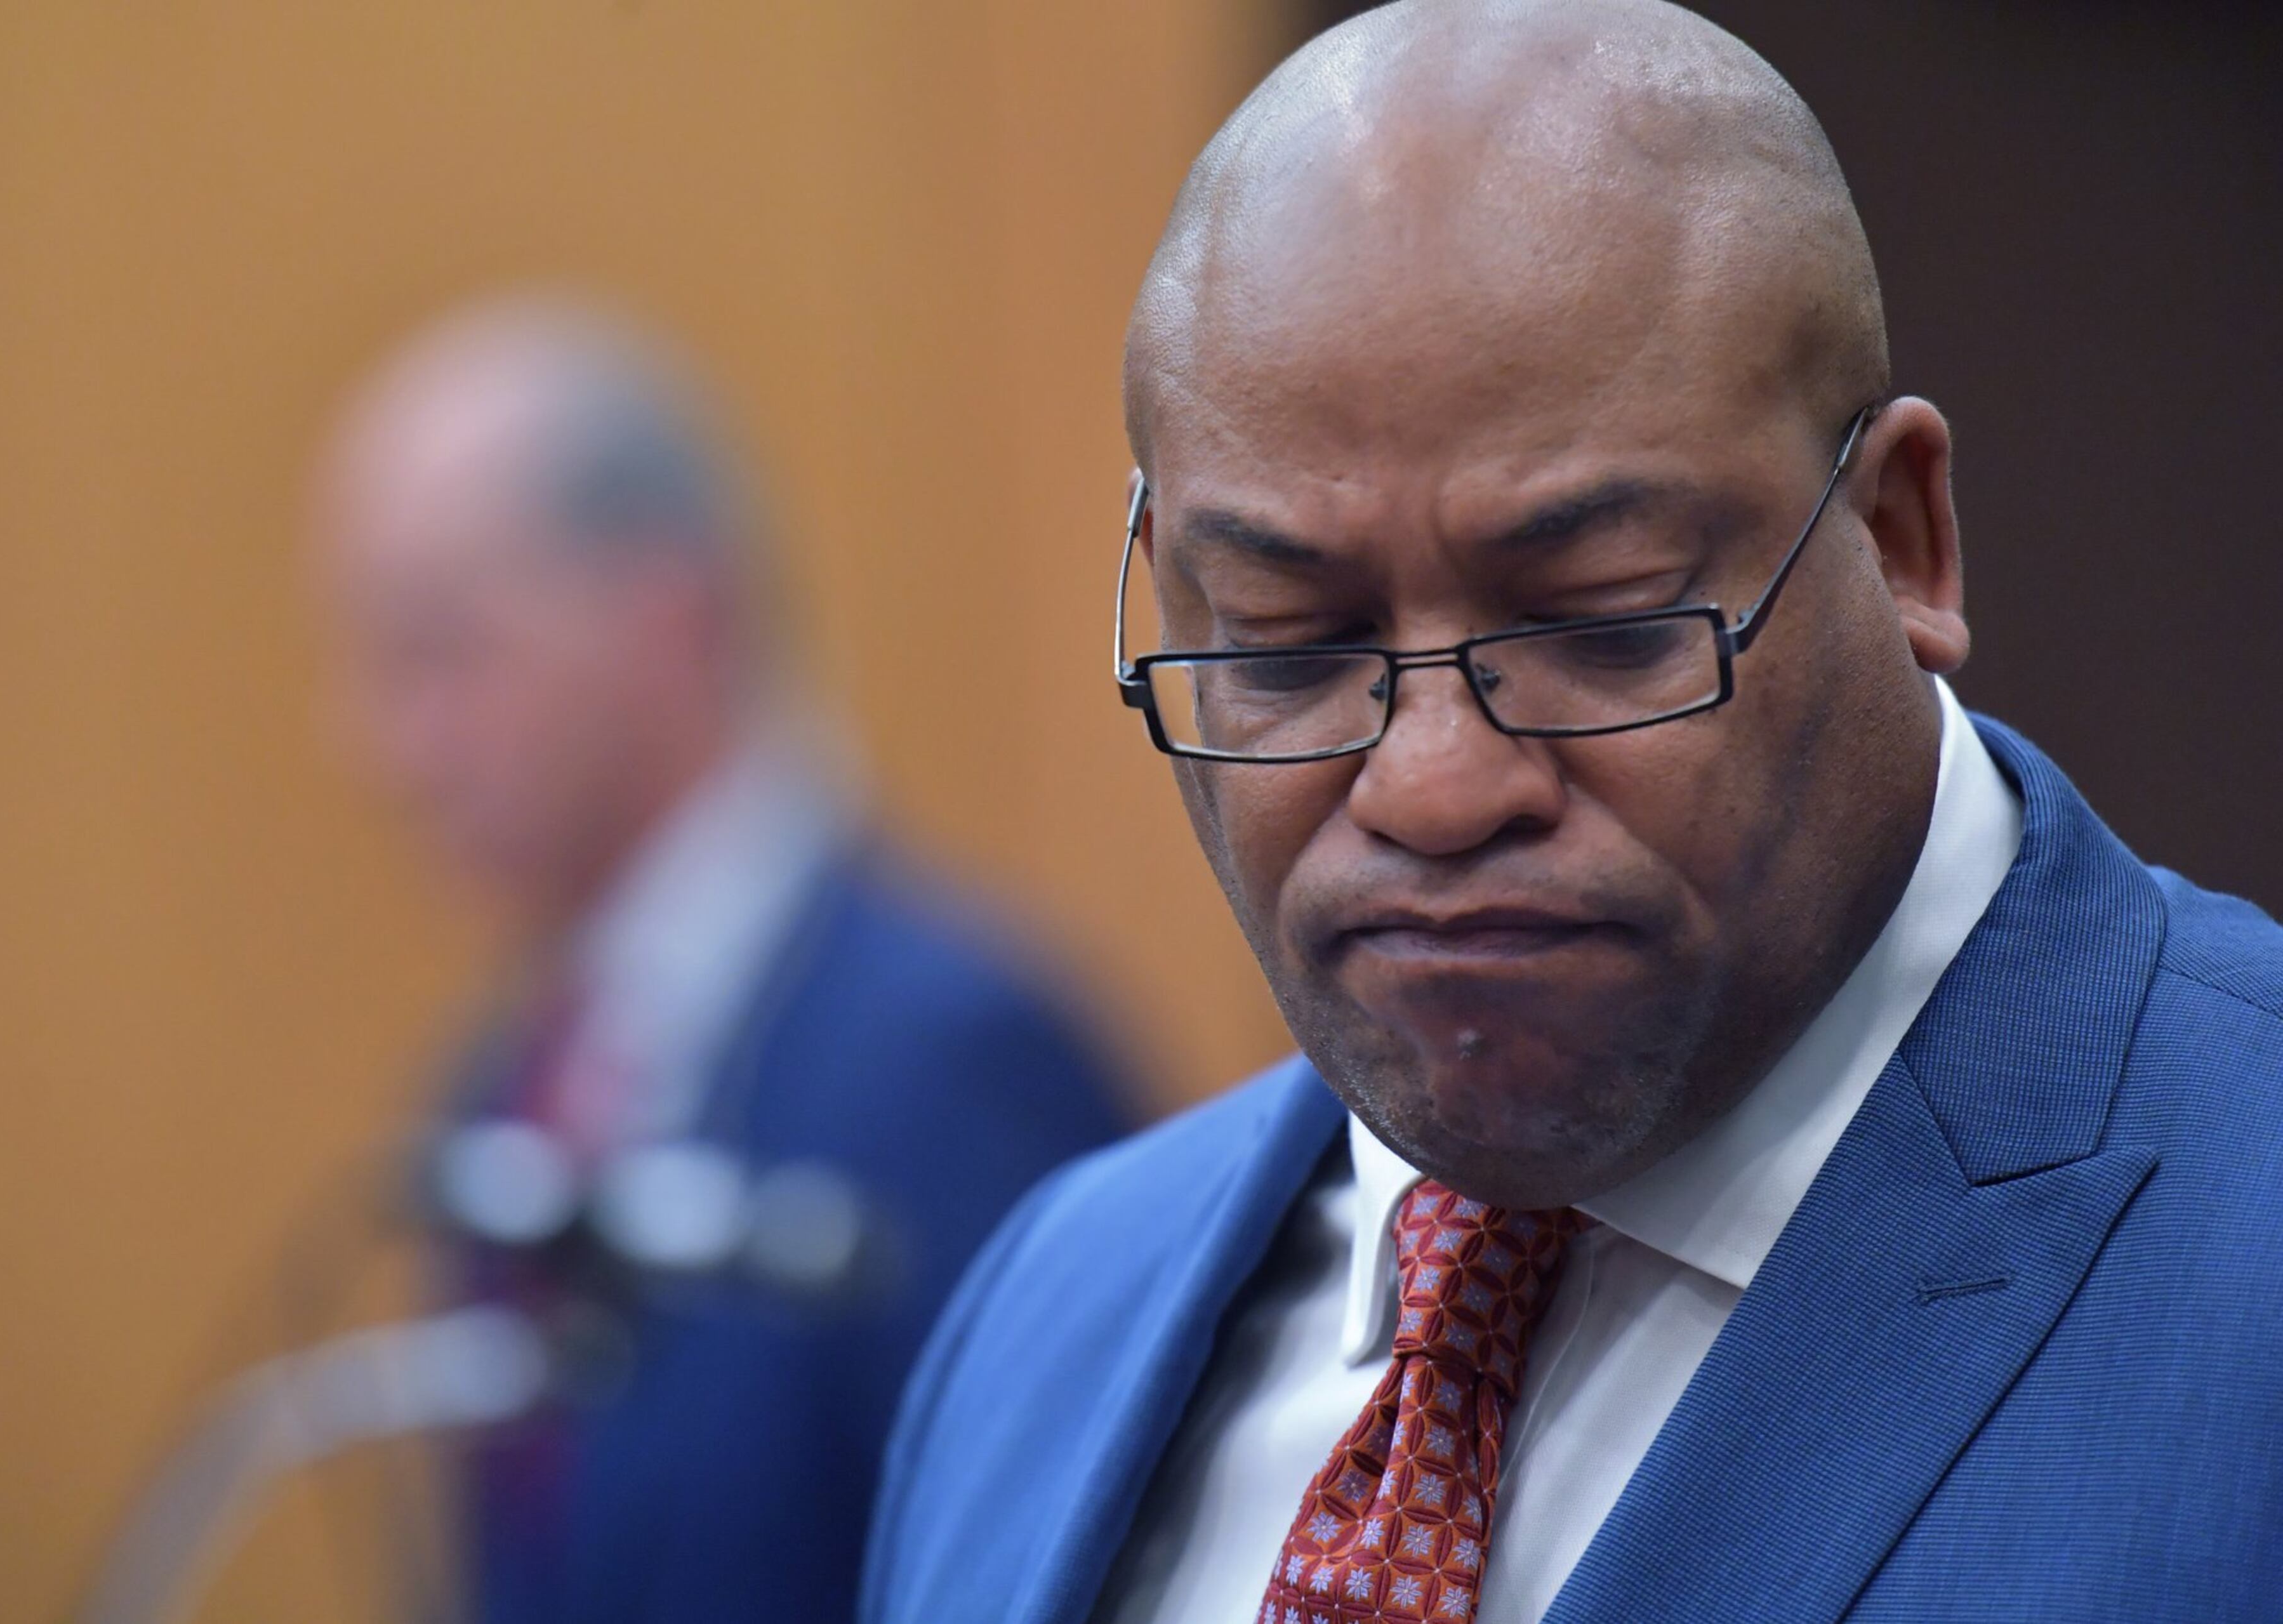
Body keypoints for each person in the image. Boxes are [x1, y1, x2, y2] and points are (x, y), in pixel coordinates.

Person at [861, 2, 2283, 1620]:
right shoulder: (1050, 1315)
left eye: (1599, 622)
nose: (1434, 785)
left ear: (1899, 541)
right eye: (1286, 646)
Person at [315, 298, 1129, 1624]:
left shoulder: (950, 1054)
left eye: (441, 650)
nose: (385, 747)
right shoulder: (500, 1094)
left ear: (673, 618)